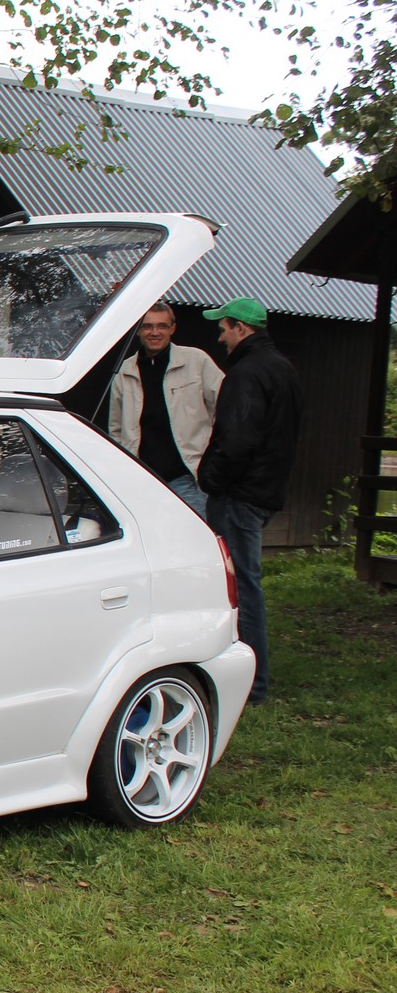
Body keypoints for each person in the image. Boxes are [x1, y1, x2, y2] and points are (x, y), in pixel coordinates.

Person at [197, 297, 302, 704]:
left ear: (241, 328)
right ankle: (247, 676)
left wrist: (210, 479)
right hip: (265, 491)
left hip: (240, 494)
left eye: (223, 328)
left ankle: (252, 685)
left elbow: (237, 439)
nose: (220, 337)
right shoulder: (283, 368)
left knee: (241, 586)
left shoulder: (246, 372)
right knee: (244, 581)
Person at [107, 301, 223, 518]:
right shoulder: (125, 371)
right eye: (148, 326)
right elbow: (116, 429)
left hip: (187, 476)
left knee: (190, 532)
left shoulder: (196, 361)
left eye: (162, 326)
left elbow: (225, 405)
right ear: (138, 331)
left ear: (172, 328)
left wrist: (214, 458)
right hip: (143, 479)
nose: (155, 332)